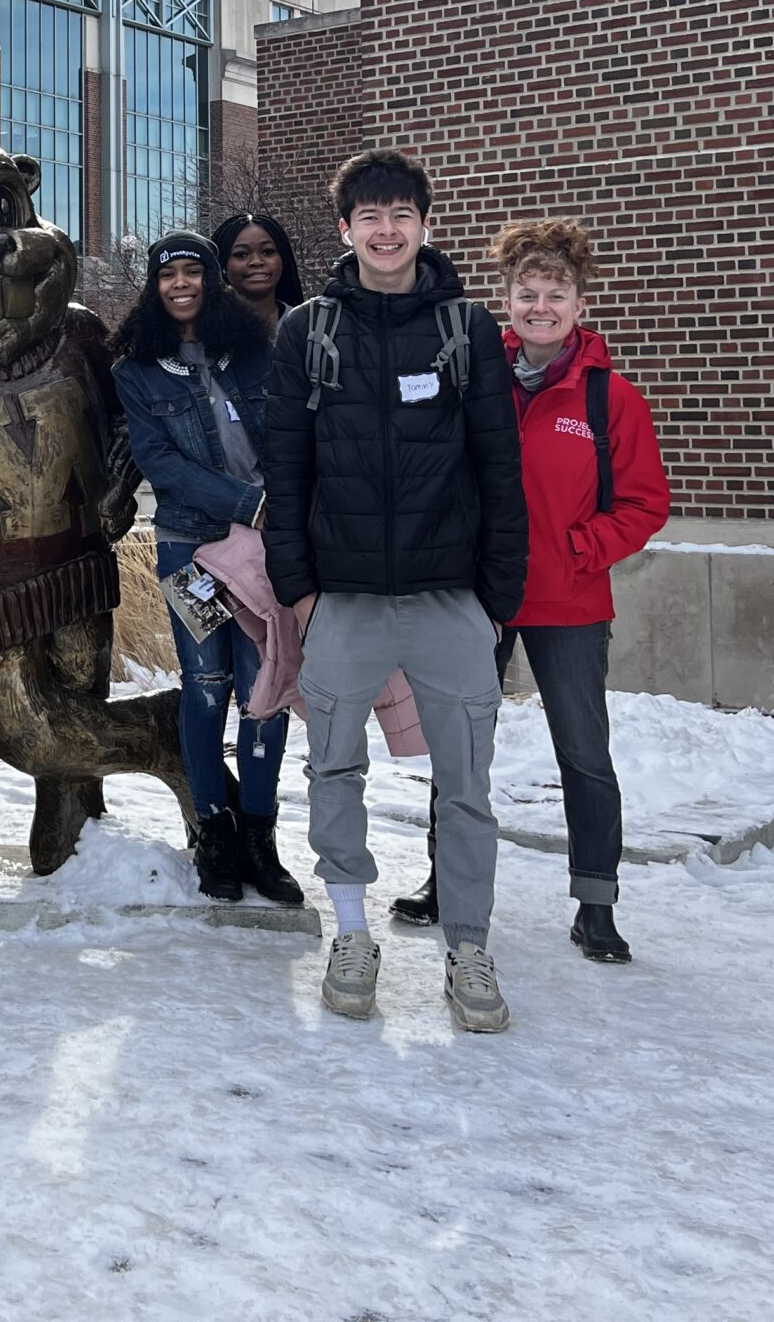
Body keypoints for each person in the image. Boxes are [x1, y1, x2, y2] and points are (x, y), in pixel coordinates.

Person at [262, 148, 527, 1033]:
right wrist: (301, 593)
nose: (385, 230)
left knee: (466, 786)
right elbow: (286, 473)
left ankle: (468, 948)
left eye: (400, 214)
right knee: (334, 770)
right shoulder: (307, 331)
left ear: (424, 223)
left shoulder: (468, 330)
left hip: (451, 599)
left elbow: (499, 466)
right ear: (344, 230)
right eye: (368, 216)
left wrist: (497, 596)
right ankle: (349, 933)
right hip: (343, 602)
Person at [424, 218, 665, 964]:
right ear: (507, 300)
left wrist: (578, 550)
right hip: (483, 600)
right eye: (526, 293)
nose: (539, 306)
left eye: (553, 294)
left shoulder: (610, 398)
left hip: (570, 602)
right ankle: (444, 881)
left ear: (578, 304)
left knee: (585, 755)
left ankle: (596, 904)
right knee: (461, 753)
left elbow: (645, 503)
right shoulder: (476, 380)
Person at [109, 231, 302, 907]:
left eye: (194, 272)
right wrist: (251, 502)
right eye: (170, 276)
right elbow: (162, 465)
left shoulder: (255, 353)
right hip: (189, 550)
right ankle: (213, 833)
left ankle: (259, 833)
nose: (182, 284)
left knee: (262, 690)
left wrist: (282, 506)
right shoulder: (136, 369)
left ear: (212, 281)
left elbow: (289, 436)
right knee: (207, 682)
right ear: (155, 288)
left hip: (263, 553)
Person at [209, 211, 305, 342]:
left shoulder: (307, 325)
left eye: (267, 252)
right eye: (241, 254)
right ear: (223, 266)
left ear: (283, 260)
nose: (256, 261)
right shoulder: (203, 332)